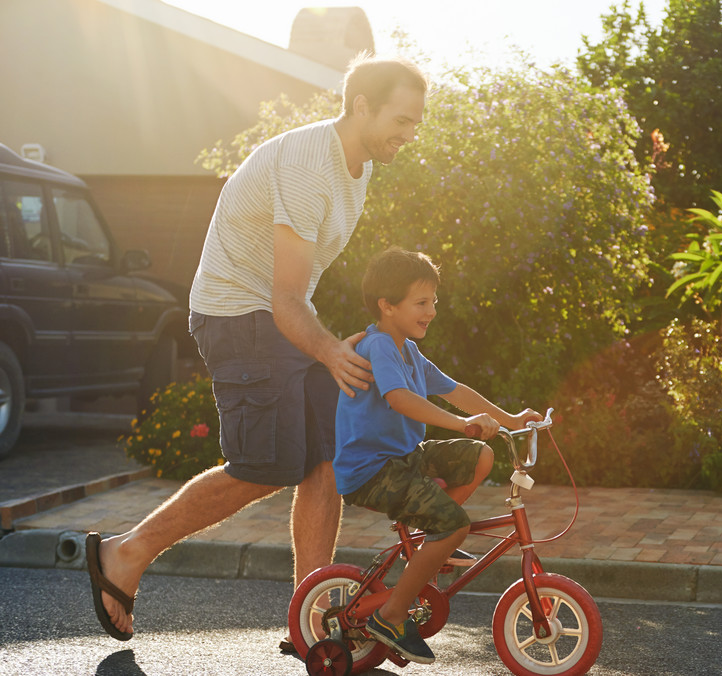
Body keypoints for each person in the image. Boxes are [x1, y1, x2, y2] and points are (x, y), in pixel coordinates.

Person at [85, 54, 428, 644]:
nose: (409, 134)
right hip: (236, 316)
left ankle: (310, 615)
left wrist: (328, 346)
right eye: (402, 119)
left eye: (416, 123)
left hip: (279, 318)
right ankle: (125, 553)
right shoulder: (306, 165)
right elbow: (285, 298)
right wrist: (326, 349)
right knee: (266, 464)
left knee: (327, 453)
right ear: (362, 105)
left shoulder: (359, 166)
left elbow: (296, 295)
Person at [334, 247, 540, 664]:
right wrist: (462, 424)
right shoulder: (380, 347)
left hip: (404, 457)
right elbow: (400, 400)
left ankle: (433, 542)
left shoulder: (407, 349)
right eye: (421, 303)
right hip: (372, 471)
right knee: (454, 526)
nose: (431, 311)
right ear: (387, 306)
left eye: (434, 302)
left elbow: (456, 390)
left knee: (480, 456)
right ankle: (391, 616)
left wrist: (511, 420)